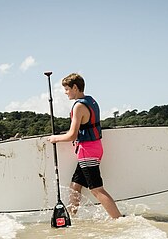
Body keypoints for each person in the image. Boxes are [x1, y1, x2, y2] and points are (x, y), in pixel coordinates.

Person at [48, 73, 122, 219]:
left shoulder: (79, 106)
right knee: (75, 184)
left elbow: (72, 135)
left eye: (67, 89)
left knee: (96, 189)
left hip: (87, 151)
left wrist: (55, 138)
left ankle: (119, 219)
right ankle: (70, 217)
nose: (65, 92)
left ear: (75, 87)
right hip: (95, 147)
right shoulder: (91, 101)